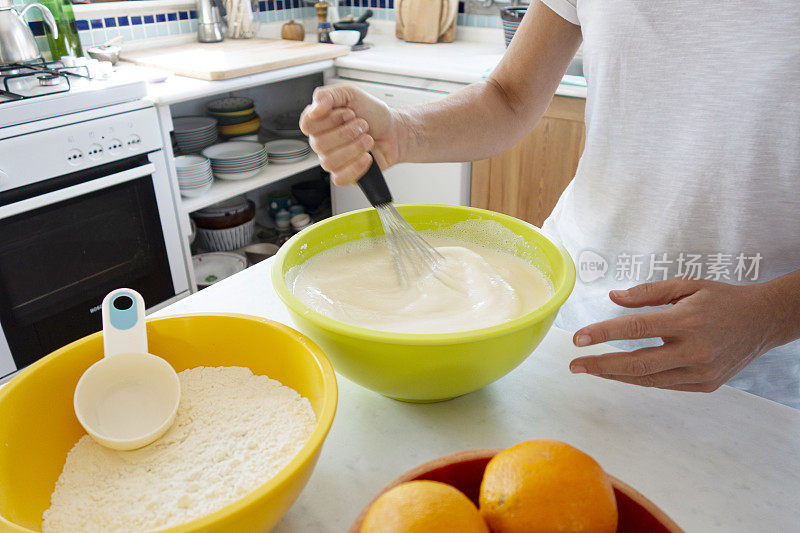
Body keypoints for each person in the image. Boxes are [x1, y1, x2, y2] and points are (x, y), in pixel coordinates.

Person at [299, 1, 800, 408]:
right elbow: (508, 96)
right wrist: (403, 131)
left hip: (753, 360)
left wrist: (768, 316)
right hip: (570, 311)